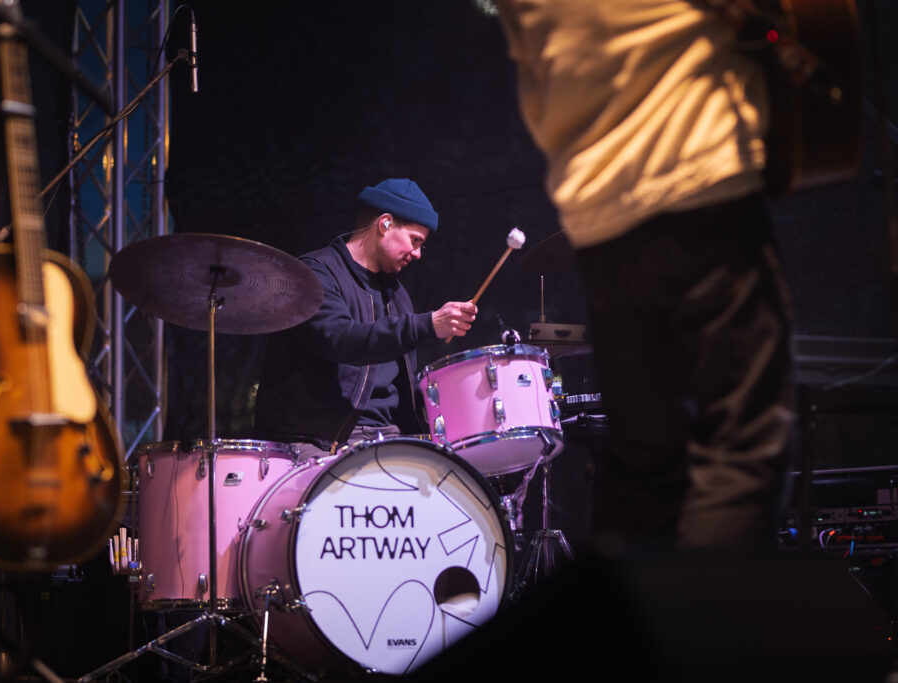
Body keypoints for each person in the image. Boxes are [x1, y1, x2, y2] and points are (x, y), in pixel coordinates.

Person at [494, 0, 794, 549]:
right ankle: (702, 602)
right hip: (692, 172)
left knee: (645, 459)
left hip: (598, 206)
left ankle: (631, 596)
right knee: (742, 446)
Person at [255, 178, 478, 459]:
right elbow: (340, 338)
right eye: (415, 240)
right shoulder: (314, 274)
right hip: (319, 441)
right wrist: (428, 323)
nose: (418, 254)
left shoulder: (397, 294)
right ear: (385, 224)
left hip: (389, 434)